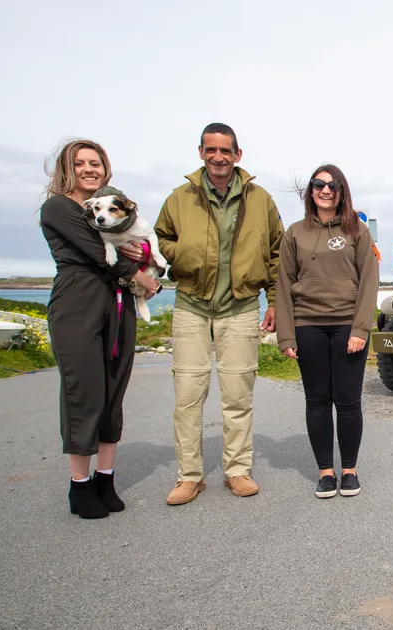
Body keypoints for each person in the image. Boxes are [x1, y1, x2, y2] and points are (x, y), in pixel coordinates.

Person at [154, 123, 284, 506]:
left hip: (241, 306)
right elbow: (160, 238)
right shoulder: (179, 198)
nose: (218, 157)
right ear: (200, 152)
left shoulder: (261, 199)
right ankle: (190, 476)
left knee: (237, 395)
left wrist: (274, 301)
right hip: (191, 305)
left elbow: (277, 252)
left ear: (238, 155)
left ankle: (237, 470)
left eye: (225, 150)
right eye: (211, 150)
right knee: (188, 395)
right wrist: (181, 254)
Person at [39, 138, 163, 519]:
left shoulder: (106, 209)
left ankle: (105, 479)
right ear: (67, 168)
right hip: (78, 303)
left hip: (118, 304)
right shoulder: (59, 207)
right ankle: (79, 486)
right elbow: (98, 253)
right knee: (84, 393)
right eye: (81, 163)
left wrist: (143, 272)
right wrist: (144, 278)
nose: (89, 169)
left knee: (113, 391)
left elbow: (134, 246)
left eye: (96, 163)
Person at [275, 164, 378, 499]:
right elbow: (284, 284)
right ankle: (325, 471)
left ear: (342, 191)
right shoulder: (294, 233)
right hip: (308, 326)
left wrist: (361, 329)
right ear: (311, 190)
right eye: (319, 184)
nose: (325, 190)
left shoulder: (357, 232)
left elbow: (368, 283)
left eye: (332, 185)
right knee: (317, 400)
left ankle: (349, 469)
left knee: (348, 401)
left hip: (348, 324)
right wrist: (286, 336)